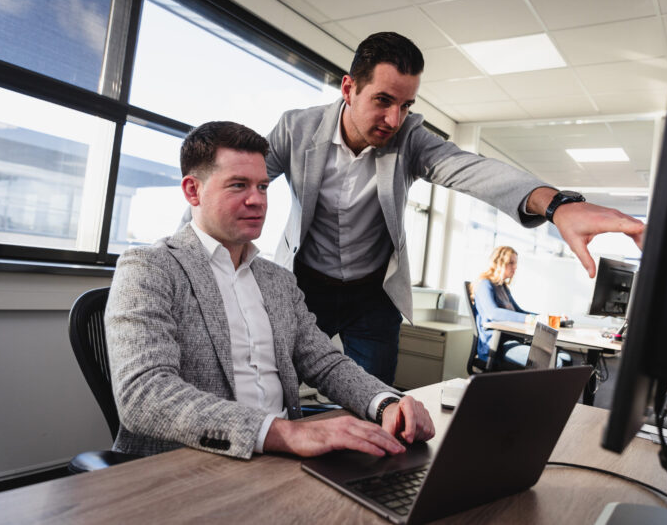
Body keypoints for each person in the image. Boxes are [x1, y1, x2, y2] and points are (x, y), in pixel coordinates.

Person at [188, 31, 644, 385]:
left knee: (374, 405)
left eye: (406, 104)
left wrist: (557, 205)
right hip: (305, 285)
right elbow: (227, 185)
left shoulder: (409, 139)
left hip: (373, 296)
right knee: (275, 385)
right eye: (383, 101)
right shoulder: (297, 129)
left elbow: (472, 170)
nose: (394, 119)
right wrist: (186, 255)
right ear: (349, 88)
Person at [106, 121, 434, 460]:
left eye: (263, 187)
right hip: (189, 465)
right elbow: (144, 395)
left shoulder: (277, 280)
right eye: (238, 185)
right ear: (193, 191)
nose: (257, 201)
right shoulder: (149, 267)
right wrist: (285, 433)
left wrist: (386, 403)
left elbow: (326, 363)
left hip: (283, 461)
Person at [471, 246, 569, 368]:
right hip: (496, 346)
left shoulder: (503, 288)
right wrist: (532, 319)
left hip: (513, 341)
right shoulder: (484, 284)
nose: (515, 267)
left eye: (515, 263)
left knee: (566, 358)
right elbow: (493, 313)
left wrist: (545, 317)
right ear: (499, 262)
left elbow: (519, 312)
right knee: (556, 362)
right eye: (511, 262)